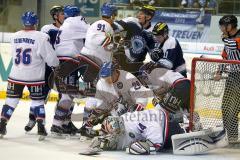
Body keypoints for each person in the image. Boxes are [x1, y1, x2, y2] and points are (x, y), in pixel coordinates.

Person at [0, 11, 59, 139]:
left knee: (10, 101)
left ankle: (2, 124)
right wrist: (56, 64)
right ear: (36, 23)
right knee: (38, 102)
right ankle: (41, 127)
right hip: (34, 76)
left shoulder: (14, 36)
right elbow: (51, 58)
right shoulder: (41, 37)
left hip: (16, 74)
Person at [80, 109, 228, 155]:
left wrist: (149, 146)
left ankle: (193, 125)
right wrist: (100, 143)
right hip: (161, 123)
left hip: (165, 125)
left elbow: (156, 138)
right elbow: (119, 139)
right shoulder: (120, 123)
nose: (111, 134)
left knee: (183, 129)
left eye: (111, 130)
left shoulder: (135, 121)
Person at [78, 62, 153, 138]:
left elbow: (141, 98)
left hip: (135, 109)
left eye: (109, 77)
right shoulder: (101, 84)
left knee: (121, 112)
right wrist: (90, 122)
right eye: (104, 77)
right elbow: (102, 107)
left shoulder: (128, 77)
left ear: (115, 72)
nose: (106, 80)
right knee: (109, 121)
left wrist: (133, 115)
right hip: (118, 110)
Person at [49, 5, 90, 136]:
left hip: (61, 60)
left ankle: (65, 124)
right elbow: (92, 30)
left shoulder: (65, 24)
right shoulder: (75, 21)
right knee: (68, 94)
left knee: (69, 94)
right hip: (69, 61)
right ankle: (56, 124)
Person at [24, 5, 65, 133]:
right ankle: (32, 119)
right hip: (47, 67)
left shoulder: (68, 28)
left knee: (64, 95)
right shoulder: (47, 28)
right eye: (61, 13)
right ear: (55, 16)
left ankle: (61, 123)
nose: (64, 15)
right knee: (40, 96)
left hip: (63, 66)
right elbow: (40, 46)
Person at [214, 15, 240, 142]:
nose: (221, 29)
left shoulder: (236, 38)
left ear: (230, 26)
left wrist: (225, 40)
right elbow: (226, 57)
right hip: (233, 77)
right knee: (227, 108)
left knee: (233, 107)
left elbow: (235, 45)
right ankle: (233, 138)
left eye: (223, 26)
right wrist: (219, 71)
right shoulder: (228, 39)